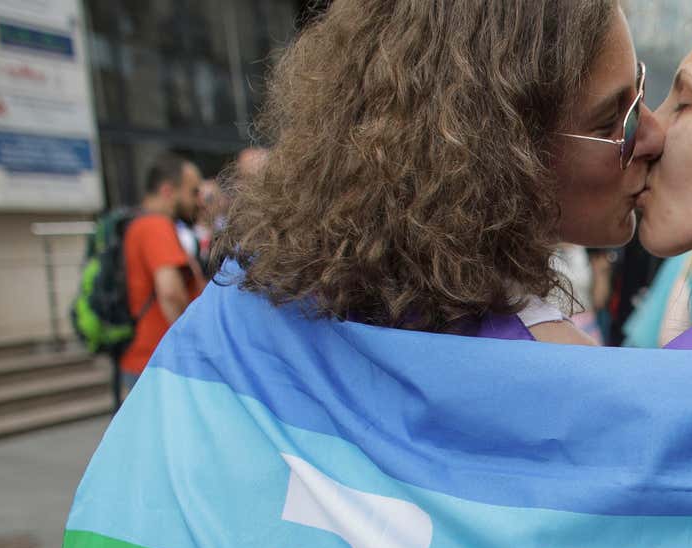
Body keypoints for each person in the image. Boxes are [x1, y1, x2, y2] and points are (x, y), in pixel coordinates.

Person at [214, 0, 661, 345]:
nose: (654, 134)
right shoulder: (555, 377)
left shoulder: (251, 308)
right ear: (506, 155)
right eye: (613, 121)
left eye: (639, 88)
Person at [119, 153, 206, 403]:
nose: (197, 201)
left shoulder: (138, 224)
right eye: (192, 192)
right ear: (169, 191)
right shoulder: (156, 226)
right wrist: (194, 349)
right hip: (159, 361)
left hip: (145, 359)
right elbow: (170, 292)